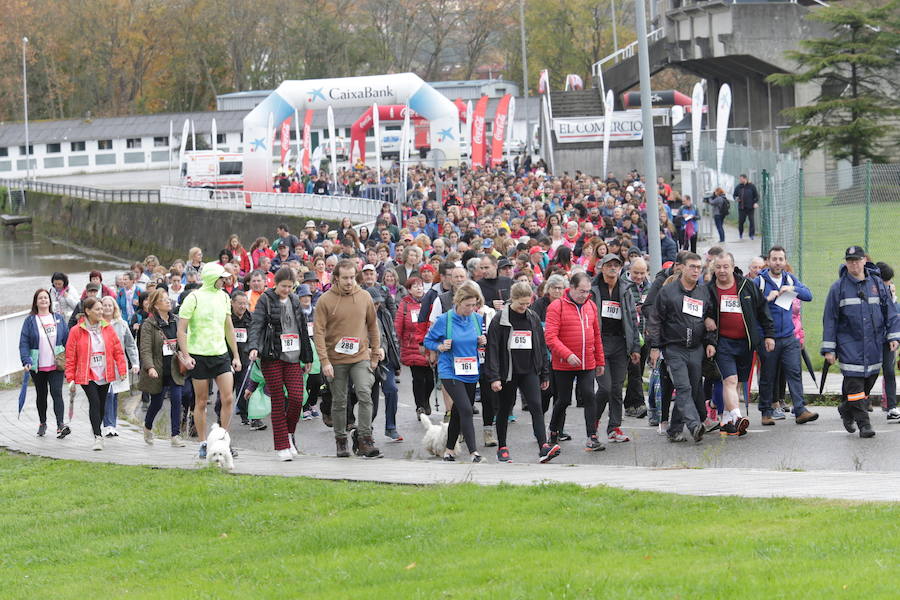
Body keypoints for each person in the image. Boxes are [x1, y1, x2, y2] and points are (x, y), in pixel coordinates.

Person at [822, 246, 900, 438]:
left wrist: (893, 336)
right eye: (850, 261)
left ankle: (846, 409)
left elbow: (890, 311)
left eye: (857, 260)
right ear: (846, 262)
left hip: (874, 344)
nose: (853, 264)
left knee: (868, 383)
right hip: (850, 345)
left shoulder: (877, 284)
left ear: (864, 260)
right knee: (855, 385)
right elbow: (830, 319)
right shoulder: (837, 288)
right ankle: (864, 424)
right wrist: (829, 349)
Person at [706, 253, 788, 436]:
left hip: (746, 342)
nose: (722, 271)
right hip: (722, 342)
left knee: (736, 383)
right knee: (730, 380)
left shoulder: (746, 285)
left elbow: (762, 310)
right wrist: (707, 320)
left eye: (726, 266)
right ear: (714, 269)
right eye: (718, 267)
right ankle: (737, 417)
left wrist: (769, 335)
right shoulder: (709, 289)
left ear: (733, 266)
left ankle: (726, 421)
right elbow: (703, 311)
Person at [313, 259, 383, 458]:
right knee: (340, 401)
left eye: (352, 277)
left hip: (360, 356)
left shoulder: (365, 296)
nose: (349, 282)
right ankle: (341, 440)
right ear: (336, 278)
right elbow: (318, 332)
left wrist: (375, 354)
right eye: (345, 278)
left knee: (364, 393)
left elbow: (372, 326)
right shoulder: (325, 300)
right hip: (335, 359)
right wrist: (324, 361)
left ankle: (365, 439)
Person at [484, 282, 560, 463]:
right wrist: (494, 377)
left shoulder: (532, 317)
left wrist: (544, 373)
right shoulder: (499, 319)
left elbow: (540, 346)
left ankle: (543, 447)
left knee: (536, 405)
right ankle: (502, 447)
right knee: (504, 408)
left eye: (527, 304)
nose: (524, 307)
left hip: (529, 370)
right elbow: (492, 349)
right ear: (513, 299)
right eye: (521, 304)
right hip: (507, 372)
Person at [647, 252, 716, 443]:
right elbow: (655, 320)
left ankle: (675, 430)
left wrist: (710, 341)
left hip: (696, 348)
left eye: (698, 267)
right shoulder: (668, 291)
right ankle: (694, 426)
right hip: (674, 348)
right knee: (683, 387)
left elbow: (709, 317)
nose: (696, 271)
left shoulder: (703, 292)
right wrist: (655, 346)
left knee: (693, 388)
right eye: (692, 266)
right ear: (682, 268)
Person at [176, 262, 242, 459]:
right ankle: (204, 443)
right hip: (199, 356)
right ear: (213, 278)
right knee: (201, 401)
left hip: (220, 354)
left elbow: (228, 328)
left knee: (228, 398)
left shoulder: (224, 297)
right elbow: (181, 330)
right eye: (222, 278)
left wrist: (236, 355)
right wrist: (186, 356)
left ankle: (223, 440)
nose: (225, 281)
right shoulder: (193, 297)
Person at [248, 267, 314, 461]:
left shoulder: (294, 300)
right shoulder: (265, 300)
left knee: (296, 398)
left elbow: (302, 328)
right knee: (277, 399)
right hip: (272, 355)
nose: (287, 290)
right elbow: (256, 325)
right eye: (284, 286)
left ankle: (288, 433)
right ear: (275, 283)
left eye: (290, 286)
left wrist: (307, 356)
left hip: (293, 356)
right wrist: (253, 347)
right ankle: (282, 446)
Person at [424, 282, 486, 463]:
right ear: (458, 302)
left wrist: (482, 340)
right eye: (467, 305)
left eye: (474, 304)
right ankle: (474, 452)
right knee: (466, 409)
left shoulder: (477, 318)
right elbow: (428, 341)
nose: (471, 308)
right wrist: (440, 346)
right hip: (450, 371)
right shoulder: (445, 319)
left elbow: (478, 343)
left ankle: (449, 450)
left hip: (470, 370)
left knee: (459, 412)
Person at [754, 246, 816, 425]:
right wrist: (767, 299)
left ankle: (800, 410)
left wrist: (792, 288)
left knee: (794, 372)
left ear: (785, 261)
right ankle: (766, 412)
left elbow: (808, 295)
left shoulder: (789, 279)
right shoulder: (760, 282)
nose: (778, 262)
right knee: (768, 376)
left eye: (781, 259)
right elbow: (749, 307)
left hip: (789, 337)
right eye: (774, 259)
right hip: (769, 337)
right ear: (768, 261)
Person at [545, 271, 606, 450]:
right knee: (563, 400)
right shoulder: (557, 306)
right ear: (571, 288)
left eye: (587, 292)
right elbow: (550, 337)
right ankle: (554, 431)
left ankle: (592, 436)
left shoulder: (591, 306)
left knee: (589, 396)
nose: (585, 295)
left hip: (587, 362)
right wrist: (567, 354)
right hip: (564, 364)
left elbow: (596, 335)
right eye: (581, 291)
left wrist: (600, 360)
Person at [64, 297, 128, 451]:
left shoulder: (108, 328)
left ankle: (96, 428)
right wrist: (70, 377)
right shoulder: (76, 331)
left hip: (105, 373)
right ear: (87, 311)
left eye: (102, 309)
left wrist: (122, 369)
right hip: (87, 373)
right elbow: (70, 355)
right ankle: (98, 437)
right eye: (98, 309)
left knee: (101, 405)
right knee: (94, 402)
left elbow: (117, 350)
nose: (102, 312)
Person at [590, 253, 642, 443]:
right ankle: (593, 422)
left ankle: (614, 427)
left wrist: (635, 347)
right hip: (600, 342)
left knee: (616, 387)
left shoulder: (625, 289)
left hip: (620, 343)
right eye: (609, 265)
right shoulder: (593, 289)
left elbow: (631, 319)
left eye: (616, 265)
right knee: (604, 388)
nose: (613, 268)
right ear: (602, 267)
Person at [136, 289, 187, 447]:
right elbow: (145, 349)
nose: (168, 301)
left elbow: (183, 341)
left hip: (174, 368)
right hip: (158, 370)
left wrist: (187, 356)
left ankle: (175, 435)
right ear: (156, 306)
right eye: (164, 300)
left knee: (177, 399)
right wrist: (150, 367)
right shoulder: (148, 324)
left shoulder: (176, 321)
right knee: (157, 403)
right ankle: (147, 426)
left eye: (168, 299)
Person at [19, 289, 70, 439]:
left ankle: (61, 425)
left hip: (57, 364)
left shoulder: (58, 318)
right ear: (36, 302)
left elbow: (67, 340)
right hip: (37, 365)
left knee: (57, 393)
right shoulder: (30, 321)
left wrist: (71, 361)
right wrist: (26, 360)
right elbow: (24, 343)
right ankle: (43, 423)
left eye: (46, 297)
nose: (43, 300)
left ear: (50, 301)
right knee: (41, 395)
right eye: (40, 298)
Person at [367, 286, 403, 442]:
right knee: (369, 399)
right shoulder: (358, 316)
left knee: (392, 389)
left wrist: (396, 361)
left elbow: (392, 338)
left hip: (385, 360)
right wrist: (369, 350)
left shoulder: (385, 314)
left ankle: (391, 427)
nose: (376, 306)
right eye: (372, 304)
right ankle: (366, 430)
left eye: (377, 303)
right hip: (366, 361)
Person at [100, 296, 139, 437]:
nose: (107, 308)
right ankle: (109, 425)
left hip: (118, 365)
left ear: (114, 307)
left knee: (114, 394)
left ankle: (112, 425)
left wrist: (135, 363)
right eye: (104, 305)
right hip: (102, 365)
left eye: (110, 305)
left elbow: (130, 344)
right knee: (108, 394)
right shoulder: (97, 324)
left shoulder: (121, 324)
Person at [395, 277, 433, 414]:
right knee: (418, 379)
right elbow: (398, 325)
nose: (419, 288)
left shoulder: (430, 302)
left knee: (430, 380)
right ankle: (420, 406)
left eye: (420, 286)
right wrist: (396, 344)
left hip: (428, 345)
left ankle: (426, 400)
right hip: (412, 346)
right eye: (415, 286)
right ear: (409, 290)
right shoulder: (404, 304)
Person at [623, 257, 651, 420]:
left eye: (642, 273)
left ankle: (630, 404)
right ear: (629, 271)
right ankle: (639, 404)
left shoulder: (649, 286)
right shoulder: (624, 285)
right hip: (630, 335)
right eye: (636, 273)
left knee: (638, 371)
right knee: (634, 369)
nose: (639, 277)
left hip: (645, 334)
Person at [227, 290, 253, 427]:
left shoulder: (251, 318)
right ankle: (221, 416)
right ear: (232, 303)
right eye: (239, 304)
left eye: (245, 304)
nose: (243, 307)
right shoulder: (226, 318)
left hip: (245, 358)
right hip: (227, 360)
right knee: (226, 391)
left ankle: (245, 414)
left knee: (244, 387)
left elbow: (254, 337)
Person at [733, 174, 759, 241]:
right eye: (740, 179)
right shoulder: (738, 187)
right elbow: (734, 195)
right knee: (741, 222)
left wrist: (755, 203)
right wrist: (736, 198)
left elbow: (756, 196)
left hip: (750, 207)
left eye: (741, 179)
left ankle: (751, 235)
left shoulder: (751, 186)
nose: (740, 180)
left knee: (751, 221)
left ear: (745, 179)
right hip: (742, 208)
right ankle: (741, 234)